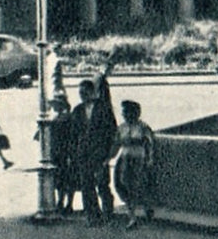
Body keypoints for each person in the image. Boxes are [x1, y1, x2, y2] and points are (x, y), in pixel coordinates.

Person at [67, 79, 118, 224]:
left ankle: (108, 213)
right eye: (80, 93)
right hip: (83, 152)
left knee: (103, 184)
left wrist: (109, 152)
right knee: (86, 185)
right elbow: (73, 135)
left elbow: (112, 130)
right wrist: (72, 154)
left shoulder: (104, 108)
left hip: (100, 152)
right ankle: (92, 216)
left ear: (92, 92)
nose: (82, 95)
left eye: (85, 92)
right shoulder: (77, 110)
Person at [111, 99, 156, 229]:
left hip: (138, 159)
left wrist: (149, 159)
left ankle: (146, 208)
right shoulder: (122, 128)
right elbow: (116, 144)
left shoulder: (143, 127)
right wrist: (109, 158)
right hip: (125, 159)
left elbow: (150, 145)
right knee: (124, 186)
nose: (124, 115)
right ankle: (132, 217)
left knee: (138, 186)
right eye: (124, 112)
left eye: (127, 112)